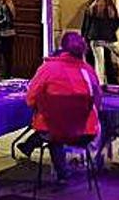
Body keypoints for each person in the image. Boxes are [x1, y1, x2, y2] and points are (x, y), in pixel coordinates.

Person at [25, 32, 101, 184]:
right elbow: (97, 101)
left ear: (61, 48)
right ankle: (94, 166)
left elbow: (30, 100)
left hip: (54, 130)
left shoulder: (47, 69)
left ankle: (62, 174)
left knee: (53, 128)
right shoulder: (88, 71)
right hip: (85, 132)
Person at [0, 0, 16, 77]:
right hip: (11, 32)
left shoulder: (3, 6)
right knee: (9, 54)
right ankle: (8, 72)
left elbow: (5, 20)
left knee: (4, 53)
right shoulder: (10, 5)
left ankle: (5, 73)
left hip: (4, 33)